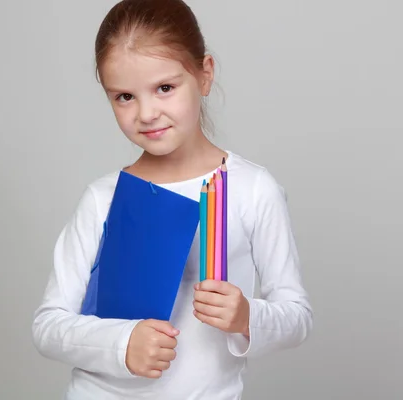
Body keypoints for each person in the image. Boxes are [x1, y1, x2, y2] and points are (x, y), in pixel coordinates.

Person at [32, 0, 313, 398]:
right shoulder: (102, 199)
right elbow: (48, 325)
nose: (146, 113)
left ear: (204, 74)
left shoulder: (252, 189)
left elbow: (297, 316)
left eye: (164, 88)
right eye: (124, 97)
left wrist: (248, 316)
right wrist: (122, 343)